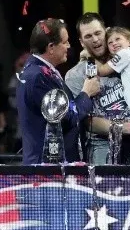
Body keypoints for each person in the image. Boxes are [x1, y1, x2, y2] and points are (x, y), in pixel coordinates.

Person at [65, 13, 130, 164]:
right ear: (82, 42)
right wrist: (129, 128)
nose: (95, 39)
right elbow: (86, 121)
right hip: (103, 150)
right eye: (88, 36)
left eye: (98, 33)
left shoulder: (129, 60)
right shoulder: (75, 75)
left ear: (106, 31)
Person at [16, 18, 100, 164]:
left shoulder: (41, 71)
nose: (68, 45)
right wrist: (86, 92)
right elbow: (67, 117)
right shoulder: (38, 77)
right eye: (65, 42)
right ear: (51, 47)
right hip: (46, 168)